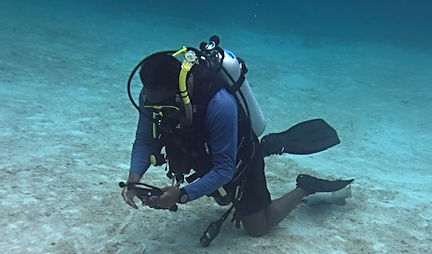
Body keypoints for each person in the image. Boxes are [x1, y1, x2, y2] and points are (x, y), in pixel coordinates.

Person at [122, 38, 353, 242]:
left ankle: (305, 186)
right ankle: (263, 149)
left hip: (238, 153)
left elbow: (224, 169)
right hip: (204, 148)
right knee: (225, 200)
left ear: (183, 87)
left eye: (168, 106)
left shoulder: (219, 104)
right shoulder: (152, 97)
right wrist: (134, 179)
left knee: (257, 227)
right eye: (154, 107)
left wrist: (182, 195)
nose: (160, 113)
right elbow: (144, 140)